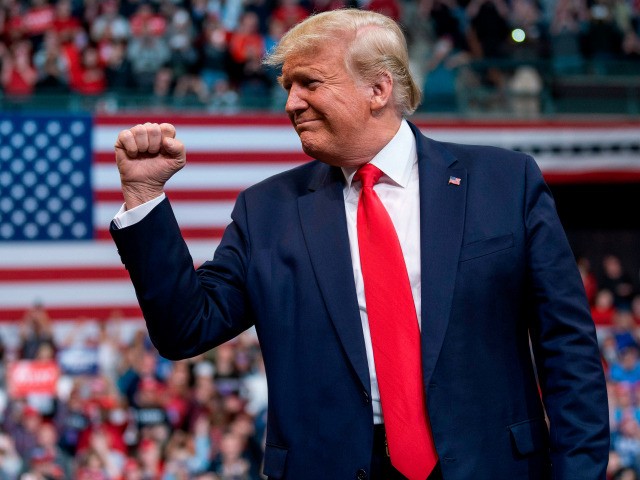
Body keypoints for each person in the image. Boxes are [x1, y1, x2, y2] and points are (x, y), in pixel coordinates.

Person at [110, 9, 609, 480]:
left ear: (378, 88)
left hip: (488, 463)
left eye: (310, 83)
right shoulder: (266, 211)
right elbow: (185, 329)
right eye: (288, 87)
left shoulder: (505, 182)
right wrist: (144, 195)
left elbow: (567, 349)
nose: (291, 103)